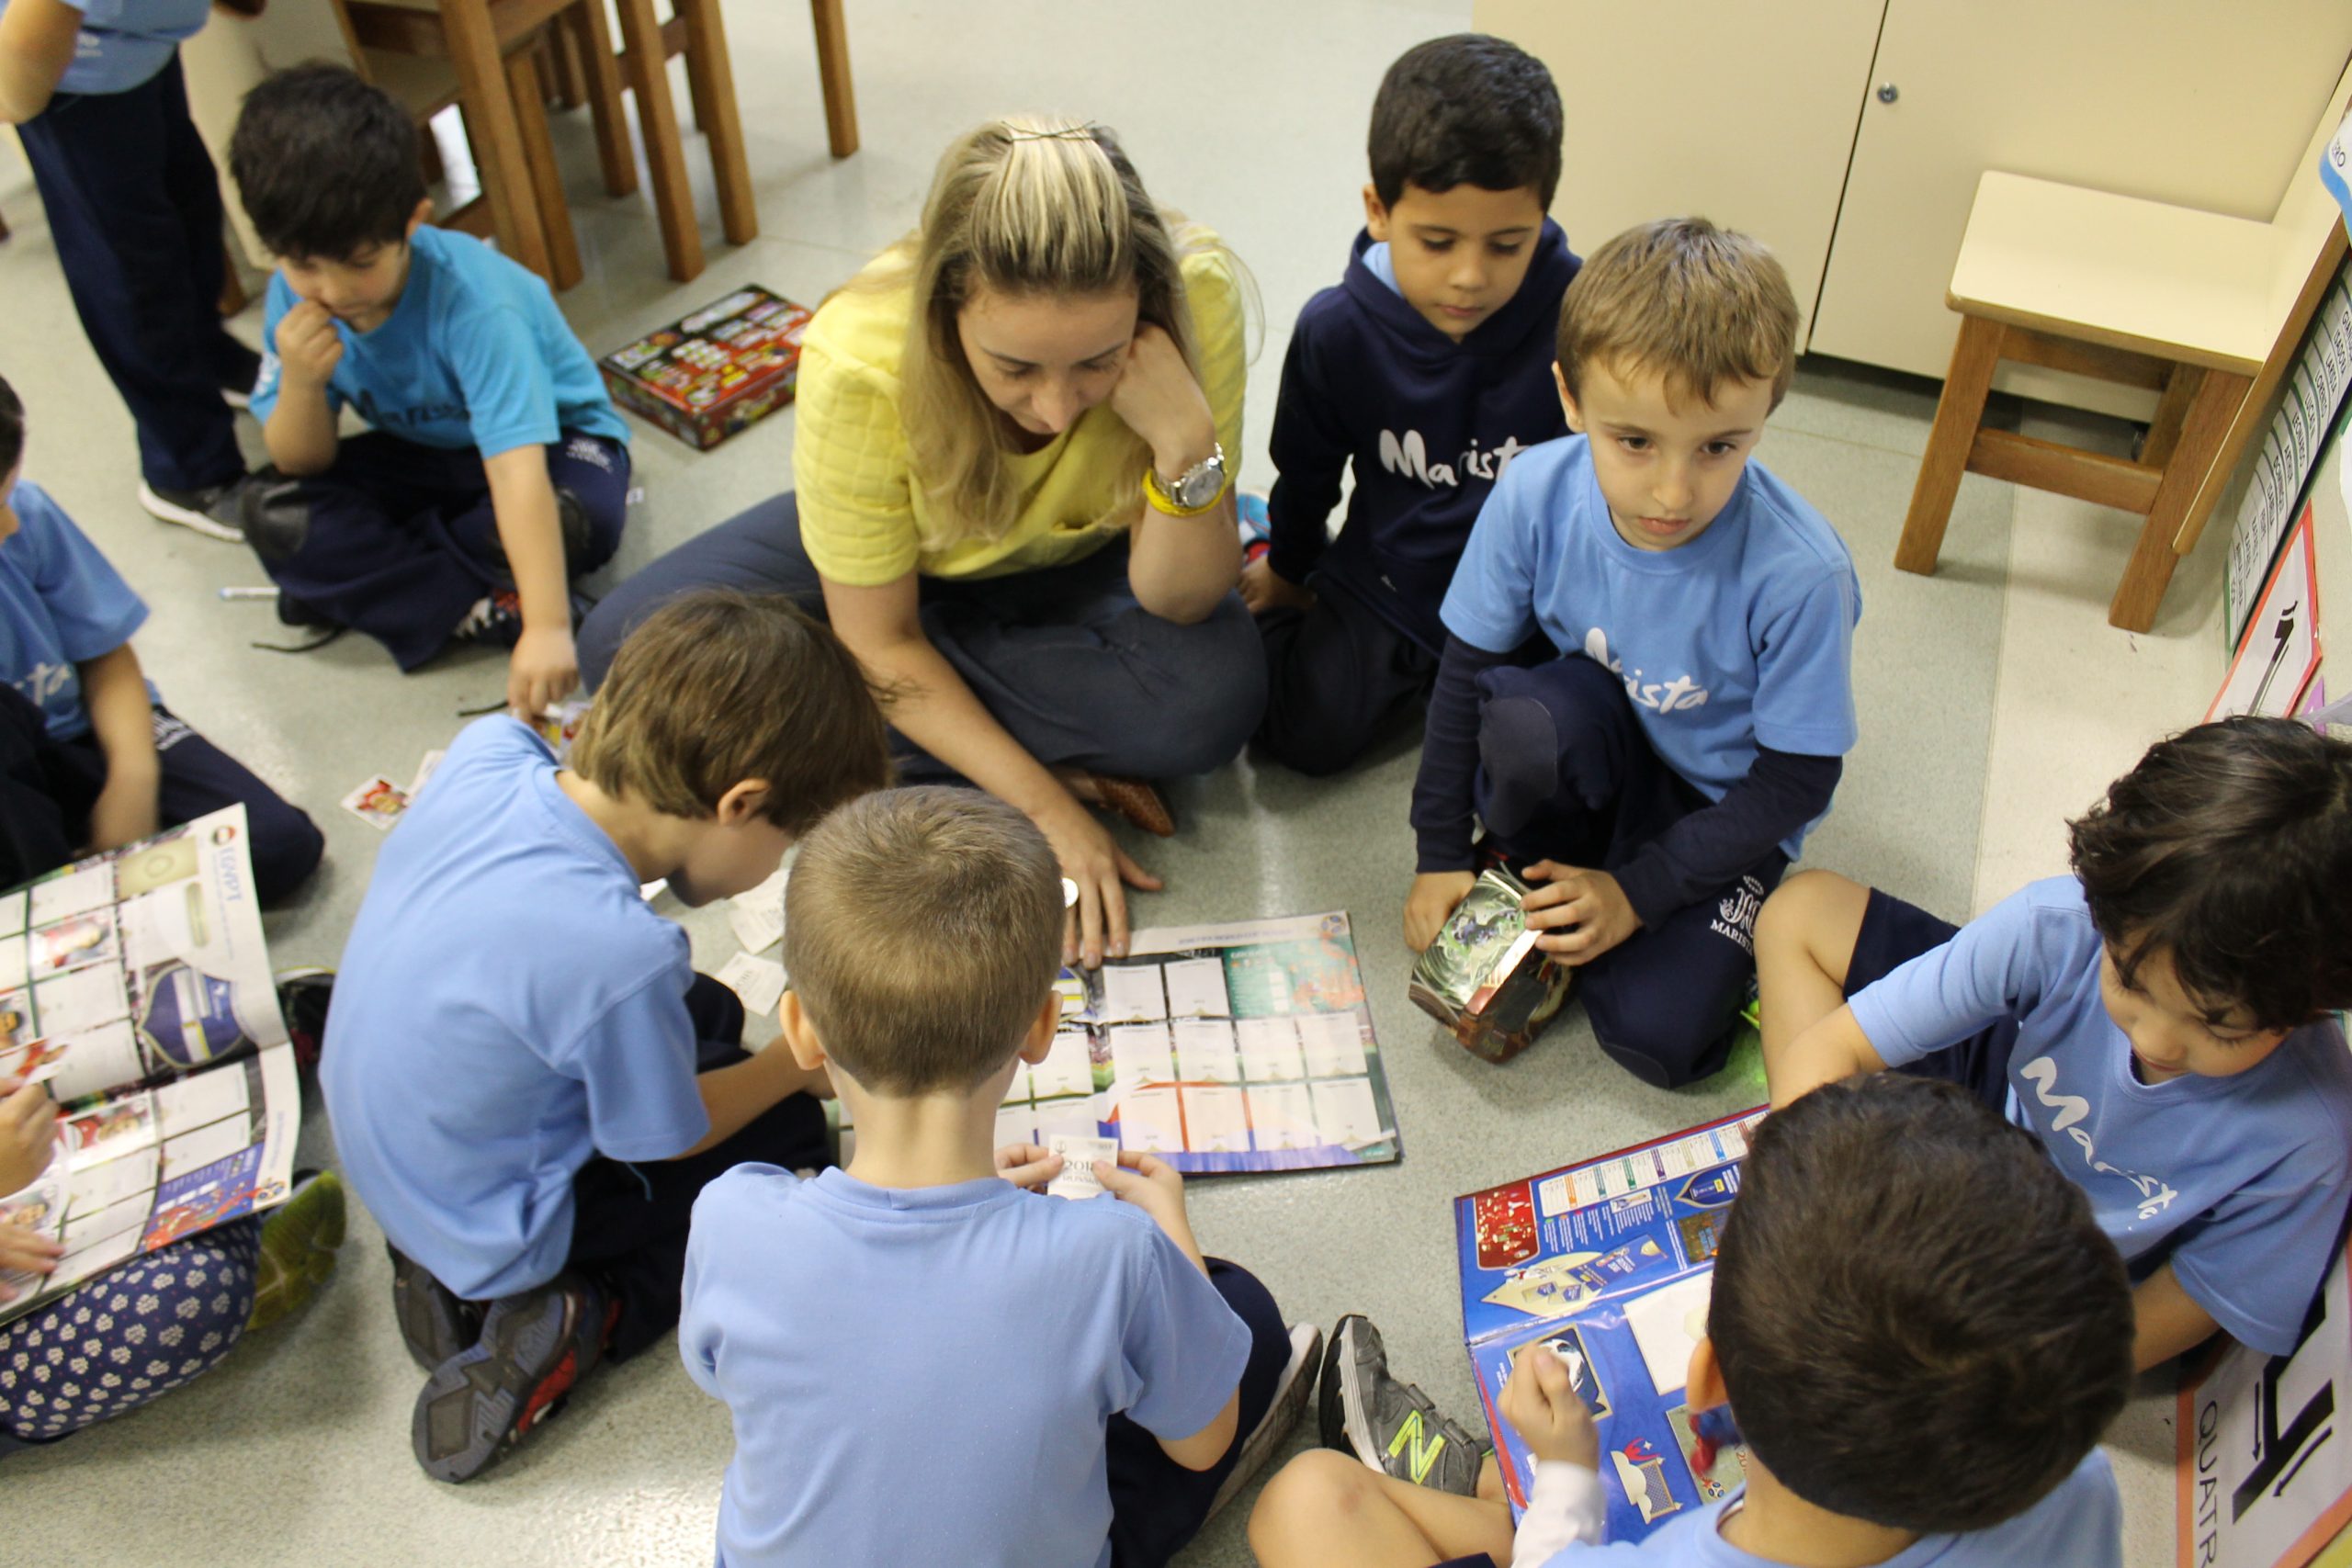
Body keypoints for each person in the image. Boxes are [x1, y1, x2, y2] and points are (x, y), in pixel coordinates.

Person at [577, 115, 1262, 972]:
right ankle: (1025, 740)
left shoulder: (1196, 296)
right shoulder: (860, 355)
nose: (1056, 410)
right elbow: (879, 635)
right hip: (906, 563)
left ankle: (935, 736)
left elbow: (1182, 598)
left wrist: (1186, 448)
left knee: (1214, 698)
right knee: (625, 644)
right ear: (944, 313)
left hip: (1075, 562)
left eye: (1101, 361)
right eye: (1015, 368)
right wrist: (1046, 805)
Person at [319, 589, 889, 1483]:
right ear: (741, 803)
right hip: (503, 1217)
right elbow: (666, 1138)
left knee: (696, 1007)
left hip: (392, 1147)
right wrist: (793, 1067)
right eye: (783, 844)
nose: (773, 870)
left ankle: (428, 1253)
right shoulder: (619, 953)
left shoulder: (488, 752)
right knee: (781, 1132)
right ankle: (586, 1307)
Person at [680, 784, 1318, 1568]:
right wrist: (1170, 1233)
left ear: (801, 1030)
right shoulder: (1115, 1251)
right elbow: (1202, 1441)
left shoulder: (730, 1214)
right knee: (1239, 1312)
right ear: (1043, 1027)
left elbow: (733, 1373)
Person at [1247, 1075, 2135, 1567]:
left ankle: (1511, 1490)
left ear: (1705, 1383)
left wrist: (1564, 1473)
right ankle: (1490, 1496)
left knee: (1306, 1498)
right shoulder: (2075, 1479)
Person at [1403, 218, 1860, 1088]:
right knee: (1530, 723)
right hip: (1598, 739)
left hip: (1717, 804)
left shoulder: (1803, 575)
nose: (1673, 491)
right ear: (1570, 400)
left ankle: (1625, 898)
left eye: (1720, 446)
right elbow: (1462, 674)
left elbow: (1799, 781)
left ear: (1765, 413)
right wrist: (1437, 853)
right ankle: (1547, 861)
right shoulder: (1535, 488)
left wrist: (1640, 893)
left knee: (1660, 1041)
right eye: (1635, 440)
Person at [1758, 716, 2352, 1371]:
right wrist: (1804, 1195)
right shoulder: (2059, 924)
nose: (2155, 1040)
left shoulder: (2312, 1132)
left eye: (2218, 1027)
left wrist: (2015, 1365)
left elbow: (2194, 1302)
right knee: (1799, 911)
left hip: (2072, 1265)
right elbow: (1835, 1044)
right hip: (2000, 1099)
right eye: (2129, 979)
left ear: (2310, 1008)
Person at [227, 63, 630, 717]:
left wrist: (551, 628)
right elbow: (301, 462)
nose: (331, 291)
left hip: (556, 447)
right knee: (269, 509)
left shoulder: (476, 304)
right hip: (429, 454)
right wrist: (301, 383)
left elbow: (515, 470)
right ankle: (483, 599)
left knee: (574, 519)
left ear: (413, 222)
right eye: (303, 266)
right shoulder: (288, 294)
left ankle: (404, 582)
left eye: (359, 264)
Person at [1245, 34, 1577, 775]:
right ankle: (1253, 543)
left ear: (1543, 217)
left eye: (1506, 245)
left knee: (1550, 765)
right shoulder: (1336, 330)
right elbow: (1306, 469)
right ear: (1379, 210)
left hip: (1530, 601)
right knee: (1299, 736)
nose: (1468, 277)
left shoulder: (1581, 317)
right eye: (1436, 241)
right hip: (1392, 587)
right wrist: (1291, 570)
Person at [0, 372, 321, 903]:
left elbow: (104, 655)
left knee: (275, 844)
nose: (10, 523)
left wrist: (132, 778)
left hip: (83, 733)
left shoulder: (26, 515)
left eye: (7, 490)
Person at [0, 0, 263, 539]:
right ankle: (188, 469)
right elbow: (19, 81)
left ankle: (206, 356)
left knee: (190, 206)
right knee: (133, 273)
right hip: (68, 76)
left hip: (139, 43)